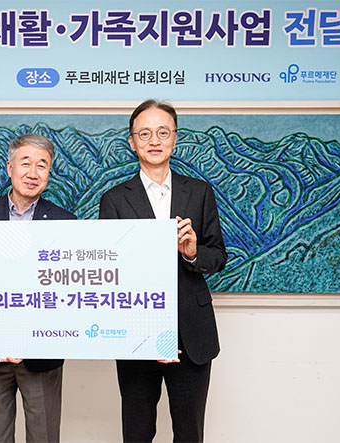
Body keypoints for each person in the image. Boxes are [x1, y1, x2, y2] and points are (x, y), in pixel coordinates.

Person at [99, 99, 227, 442]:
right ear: (132, 142)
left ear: (175, 138)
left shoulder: (199, 192)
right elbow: (109, 270)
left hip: (191, 332)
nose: (154, 141)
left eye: (162, 132)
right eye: (144, 134)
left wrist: (192, 253)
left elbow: (218, 256)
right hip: (136, 335)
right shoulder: (114, 199)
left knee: (189, 433)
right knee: (137, 432)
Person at [0, 133, 76, 443]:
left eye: (42, 165)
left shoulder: (65, 221)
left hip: (42, 348)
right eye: (25, 163)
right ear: (10, 168)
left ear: (49, 173)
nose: (33, 172)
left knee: (44, 436)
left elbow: (69, 288)